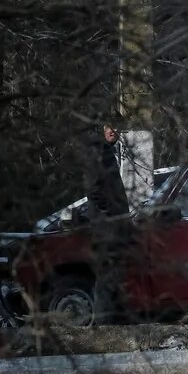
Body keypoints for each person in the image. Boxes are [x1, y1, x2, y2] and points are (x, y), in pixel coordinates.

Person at [84, 124, 132, 320]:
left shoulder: (104, 150)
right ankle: (105, 323)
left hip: (110, 225)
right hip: (106, 227)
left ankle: (111, 320)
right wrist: (111, 212)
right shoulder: (97, 151)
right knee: (106, 276)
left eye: (116, 127)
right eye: (108, 127)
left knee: (112, 276)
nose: (114, 131)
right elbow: (93, 189)